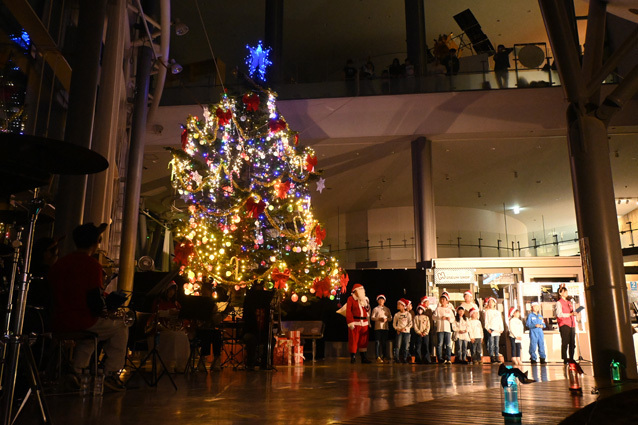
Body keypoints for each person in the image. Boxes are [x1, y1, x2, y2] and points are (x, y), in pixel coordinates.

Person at [48, 223, 128, 391]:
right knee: (120, 327)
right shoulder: (91, 265)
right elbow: (94, 300)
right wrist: (107, 311)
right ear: (96, 242)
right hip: (80, 320)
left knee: (95, 333)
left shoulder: (61, 263)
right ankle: (111, 373)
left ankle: (76, 371)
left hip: (57, 319)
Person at [346, 283, 371, 364]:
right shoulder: (351, 299)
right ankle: (353, 357)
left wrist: (367, 304)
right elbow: (348, 311)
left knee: (364, 341)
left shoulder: (364, 299)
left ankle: (363, 357)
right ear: (355, 291)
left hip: (364, 323)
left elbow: (367, 310)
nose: (362, 291)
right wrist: (350, 322)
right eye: (360, 289)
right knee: (353, 340)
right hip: (355, 323)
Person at [555, 286, 577, 364]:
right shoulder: (559, 302)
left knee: (572, 343)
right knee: (565, 342)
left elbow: (571, 311)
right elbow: (559, 314)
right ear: (561, 293)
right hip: (564, 324)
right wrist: (570, 314)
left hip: (571, 324)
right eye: (565, 292)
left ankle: (571, 358)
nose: (567, 293)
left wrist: (574, 312)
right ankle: (565, 358)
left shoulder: (569, 302)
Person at [433, 294, 455, 364]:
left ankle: (448, 358)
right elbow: (433, 317)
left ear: (447, 301)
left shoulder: (449, 310)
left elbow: (453, 319)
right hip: (440, 329)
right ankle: (439, 358)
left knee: (448, 344)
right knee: (440, 344)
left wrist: (449, 319)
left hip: (447, 329)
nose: (442, 301)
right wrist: (439, 318)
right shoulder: (438, 309)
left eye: (444, 299)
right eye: (441, 299)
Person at [371, 294, 392, 363]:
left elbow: (390, 318)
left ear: (384, 301)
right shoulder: (375, 309)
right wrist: (378, 318)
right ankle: (377, 356)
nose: (381, 301)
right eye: (379, 300)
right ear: (377, 301)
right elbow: (372, 317)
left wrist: (387, 319)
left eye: (382, 300)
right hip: (377, 327)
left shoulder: (387, 309)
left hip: (385, 328)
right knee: (377, 342)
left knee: (384, 343)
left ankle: (384, 356)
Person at [484, 297, 504, 364]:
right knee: (491, 344)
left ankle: (497, 357)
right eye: (489, 302)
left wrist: (501, 328)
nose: (490, 303)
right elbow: (486, 321)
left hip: (497, 330)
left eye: (492, 302)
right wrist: (488, 329)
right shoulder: (487, 312)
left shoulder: (498, 312)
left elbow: (500, 321)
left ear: (494, 303)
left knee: (497, 344)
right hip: (491, 330)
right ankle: (492, 357)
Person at [392, 299, 412, 363]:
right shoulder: (396, 314)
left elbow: (410, 323)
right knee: (398, 346)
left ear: (403, 306)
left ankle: (405, 358)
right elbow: (394, 324)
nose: (398, 306)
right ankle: (397, 359)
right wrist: (397, 329)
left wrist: (405, 328)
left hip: (406, 332)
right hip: (399, 332)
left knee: (406, 346)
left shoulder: (408, 314)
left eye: (399, 304)